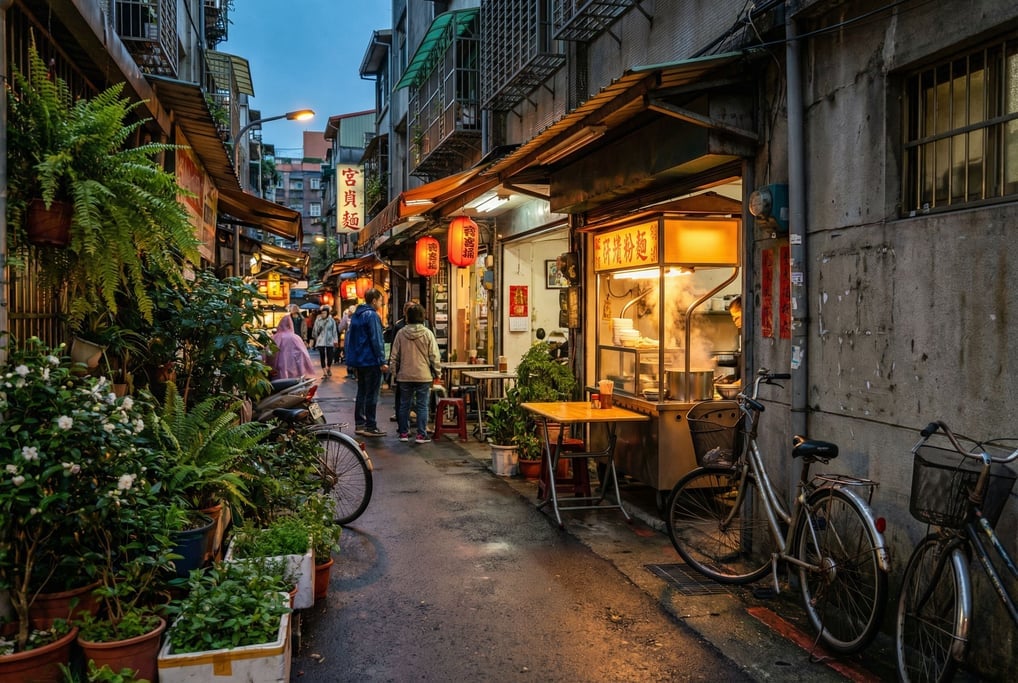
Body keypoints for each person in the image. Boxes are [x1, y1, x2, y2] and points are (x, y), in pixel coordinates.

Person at [389, 303, 441, 444]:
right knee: (422, 405)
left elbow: (394, 356)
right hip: (423, 375)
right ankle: (421, 435)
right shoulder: (428, 334)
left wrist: (394, 373)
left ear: (407, 318)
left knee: (404, 405)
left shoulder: (401, 333)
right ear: (422, 317)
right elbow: (434, 356)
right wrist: (438, 373)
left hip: (404, 376)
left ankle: (404, 433)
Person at [346, 288, 388, 437]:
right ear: (374, 300)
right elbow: (376, 339)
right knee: (372, 393)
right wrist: (382, 360)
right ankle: (371, 425)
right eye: (381, 301)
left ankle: (360, 424)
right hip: (370, 360)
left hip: (359, 360)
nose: (382, 304)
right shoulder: (372, 315)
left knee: (362, 391)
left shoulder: (357, 315)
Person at [269, 314, 316, 379]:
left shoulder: (275, 338)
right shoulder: (296, 338)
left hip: (279, 372)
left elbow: (269, 354)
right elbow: (303, 354)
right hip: (294, 371)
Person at [312, 305, 339, 378]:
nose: (323, 314)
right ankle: (324, 372)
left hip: (329, 341)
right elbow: (315, 331)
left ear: (327, 313)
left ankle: (328, 367)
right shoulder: (318, 320)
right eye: (322, 313)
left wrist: (335, 340)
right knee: (322, 356)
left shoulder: (332, 320)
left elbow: (334, 331)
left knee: (330, 356)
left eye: (324, 313)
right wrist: (316, 338)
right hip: (321, 341)